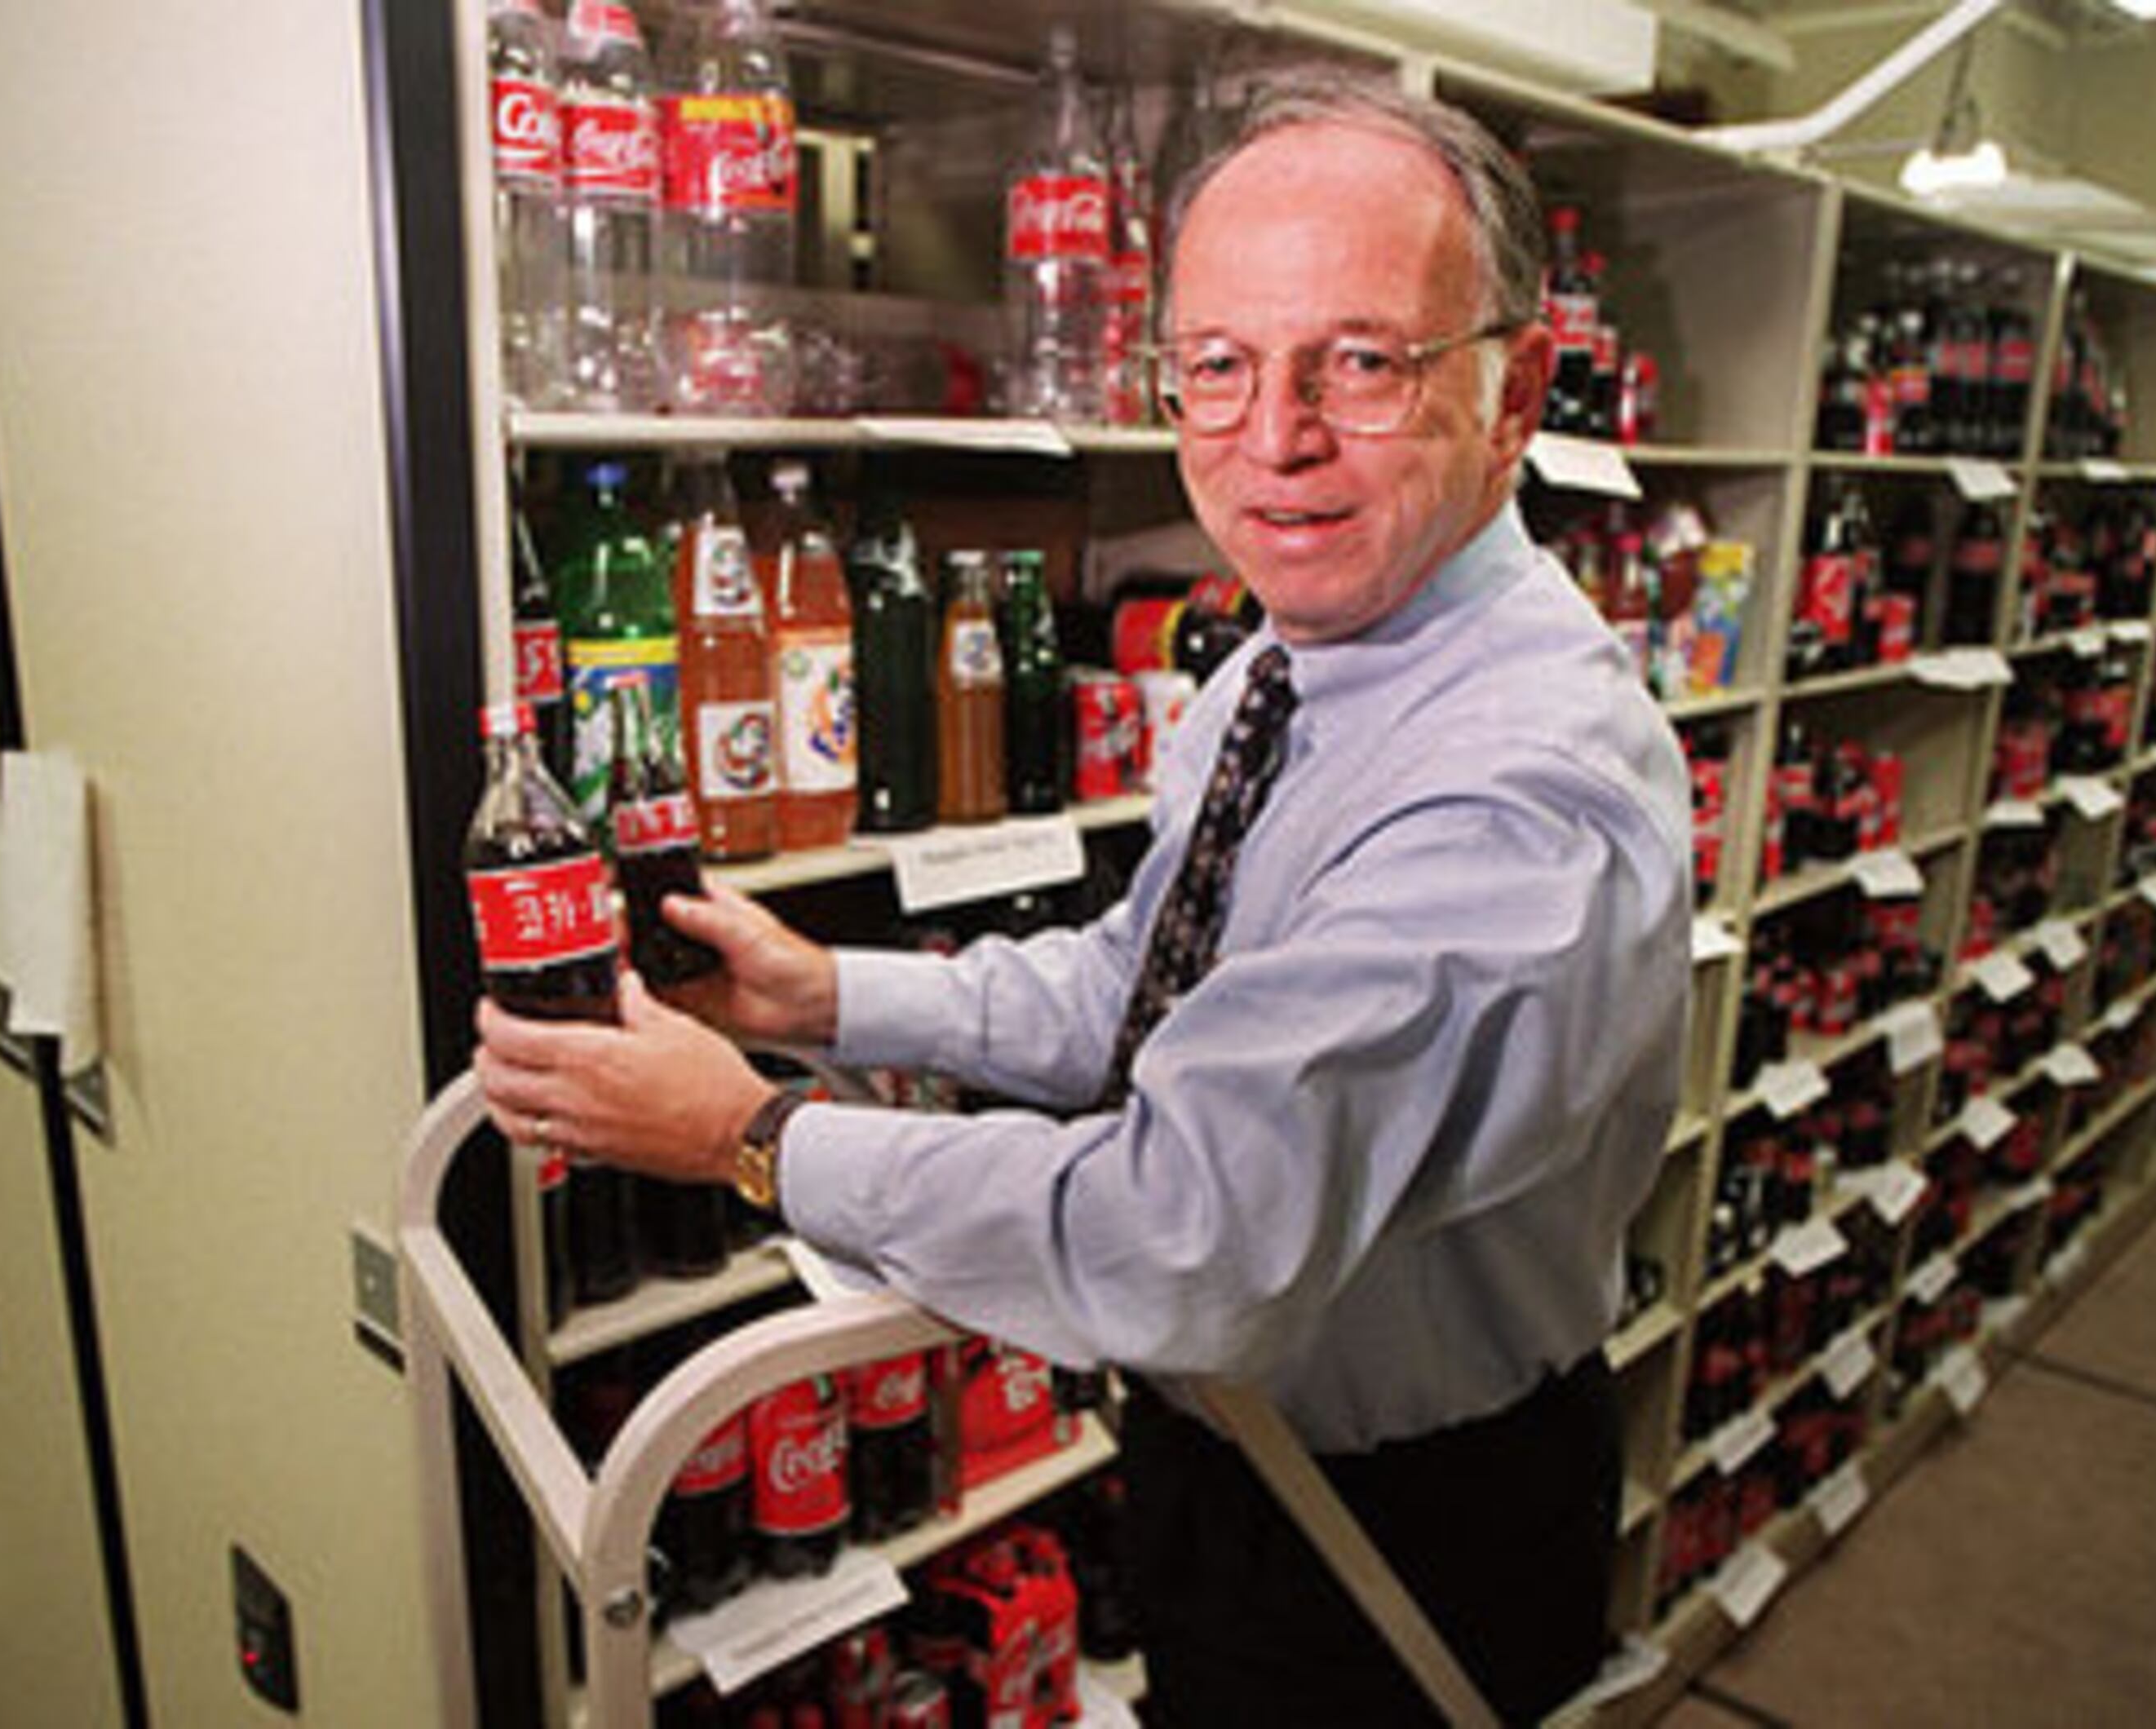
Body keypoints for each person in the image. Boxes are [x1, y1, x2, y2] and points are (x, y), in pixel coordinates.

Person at [476, 70, 1689, 1727]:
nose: (1276, 439)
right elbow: (1145, 987)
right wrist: (817, 993)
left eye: (1362, 362)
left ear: (1516, 386)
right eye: (1217, 366)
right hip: (1236, 1457)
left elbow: (1180, 1226)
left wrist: (746, 1137)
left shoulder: (1512, 793)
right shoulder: (1296, 653)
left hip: (1411, 1514)